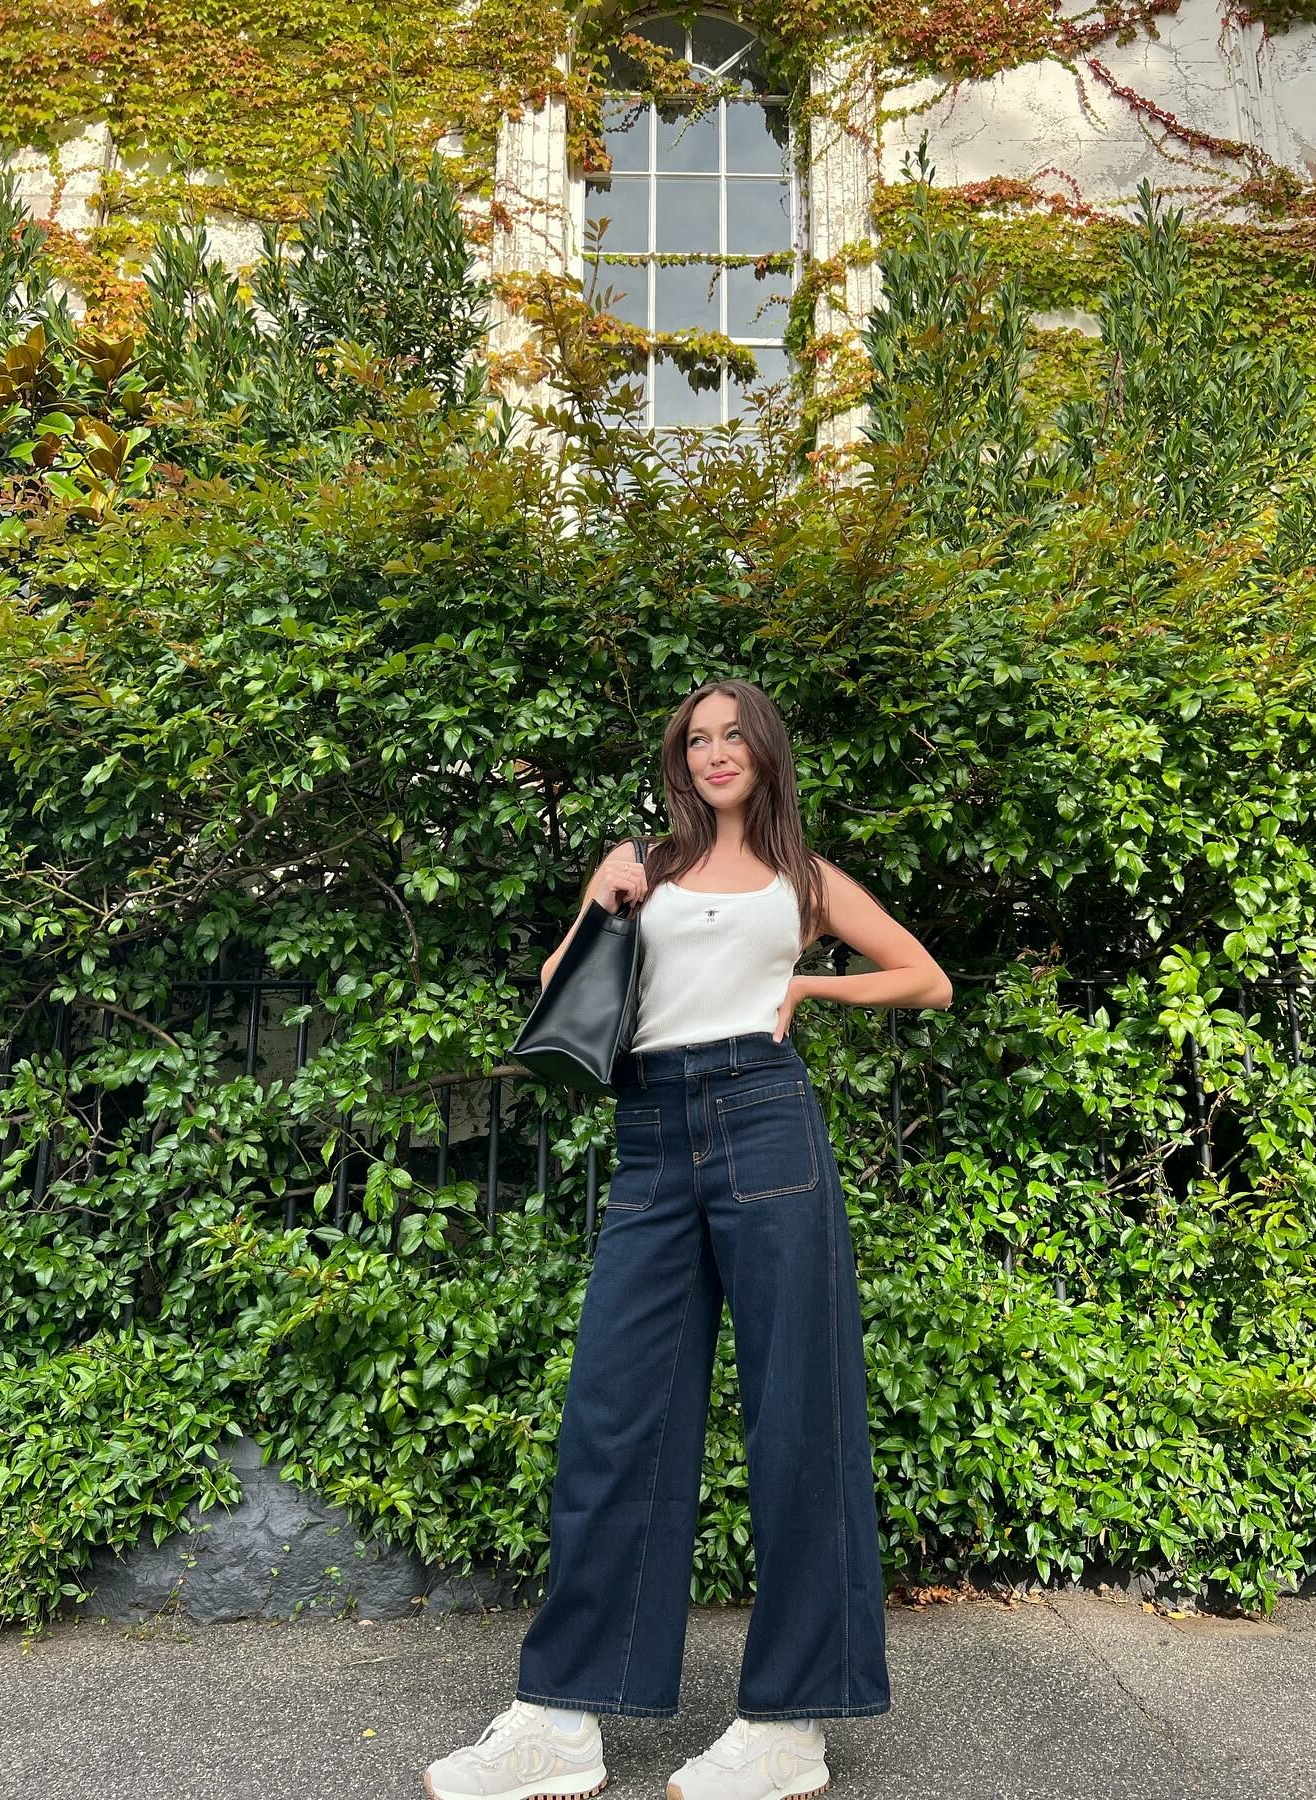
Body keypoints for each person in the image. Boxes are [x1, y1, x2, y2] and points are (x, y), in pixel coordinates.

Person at [425, 678, 953, 1800]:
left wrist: (812, 986)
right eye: (697, 739)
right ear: (683, 760)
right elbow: (559, 989)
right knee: (612, 1413)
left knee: (798, 1415)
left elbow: (927, 978)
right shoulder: (646, 868)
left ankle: (790, 1727)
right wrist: (595, 901)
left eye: (732, 737)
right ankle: (561, 1720)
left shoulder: (804, 880)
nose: (715, 753)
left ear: (763, 752)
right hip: (655, 1132)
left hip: (766, 1120)